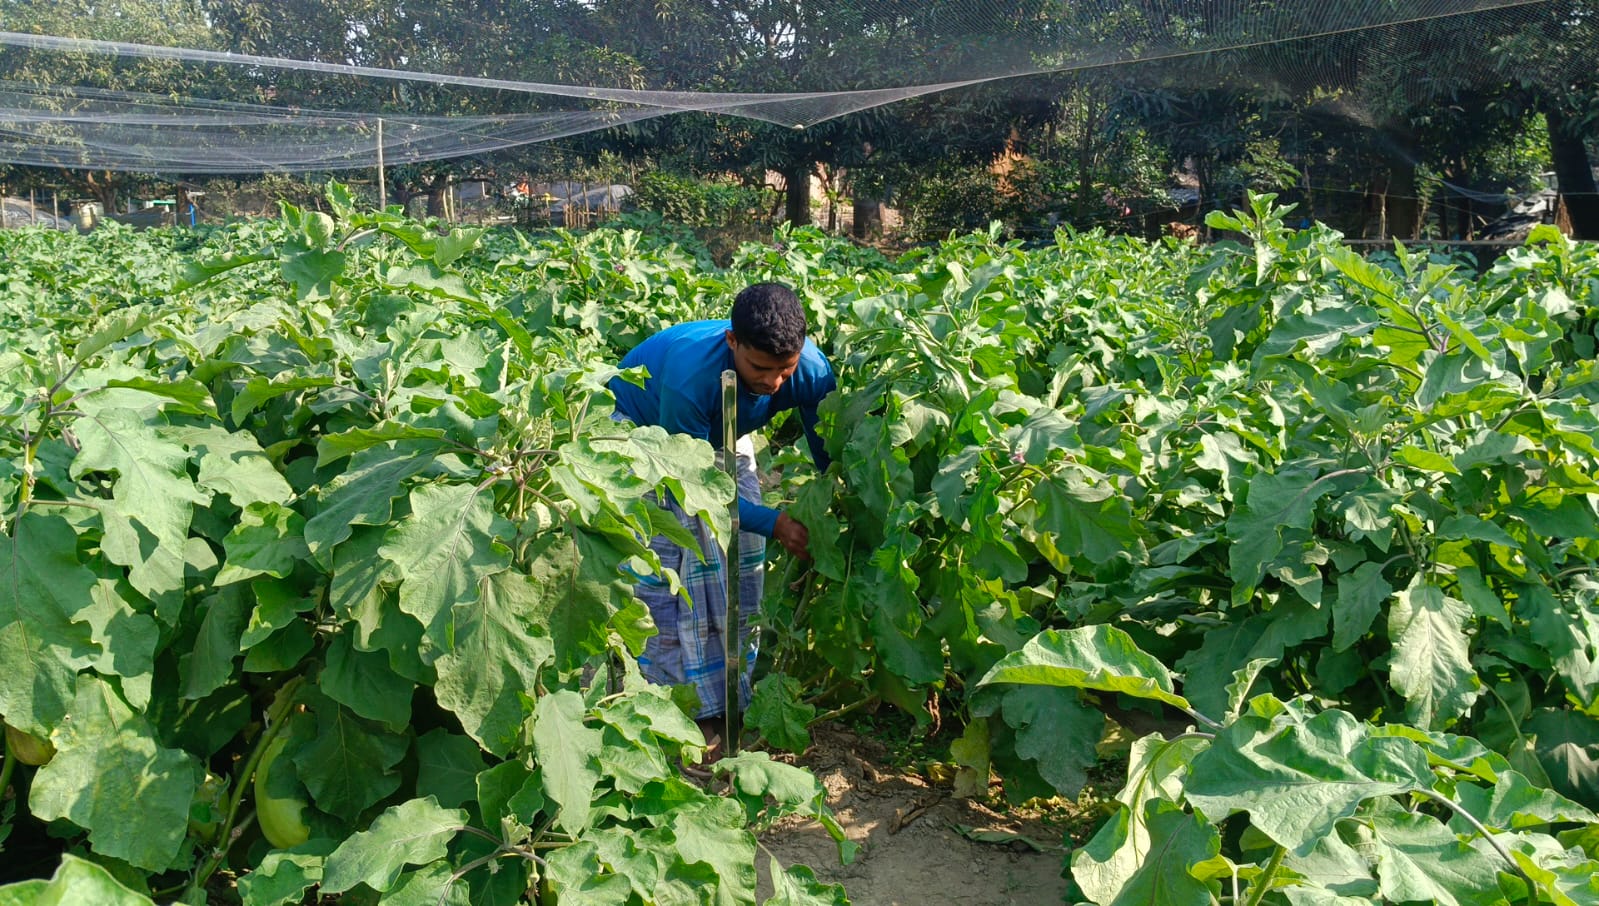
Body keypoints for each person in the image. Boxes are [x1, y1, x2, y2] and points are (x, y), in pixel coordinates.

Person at [609, 282, 835, 758]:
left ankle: (726, 696)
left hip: (720, 429)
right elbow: (691, 488)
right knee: (670, 568)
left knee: (743, 561)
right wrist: (775, 522)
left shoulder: (812, 372)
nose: (774, 382)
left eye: (783, 371)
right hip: (644, 432)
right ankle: (673, 707)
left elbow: (824, 444)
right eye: (760, 369)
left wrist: (833, 491)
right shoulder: (689, 380)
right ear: (732, 342)